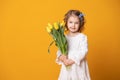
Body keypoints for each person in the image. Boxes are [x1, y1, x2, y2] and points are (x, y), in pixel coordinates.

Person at [56, 10, 91, 80]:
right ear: (66, 22)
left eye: (76, 23)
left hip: (78, 66)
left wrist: (73, 60)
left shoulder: (82, 37)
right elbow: (59, 50)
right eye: (70, 22)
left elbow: (83, 51)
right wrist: (61, 57)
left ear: (80, 24)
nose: (73, 25)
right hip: (67, 66)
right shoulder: (64, 37)